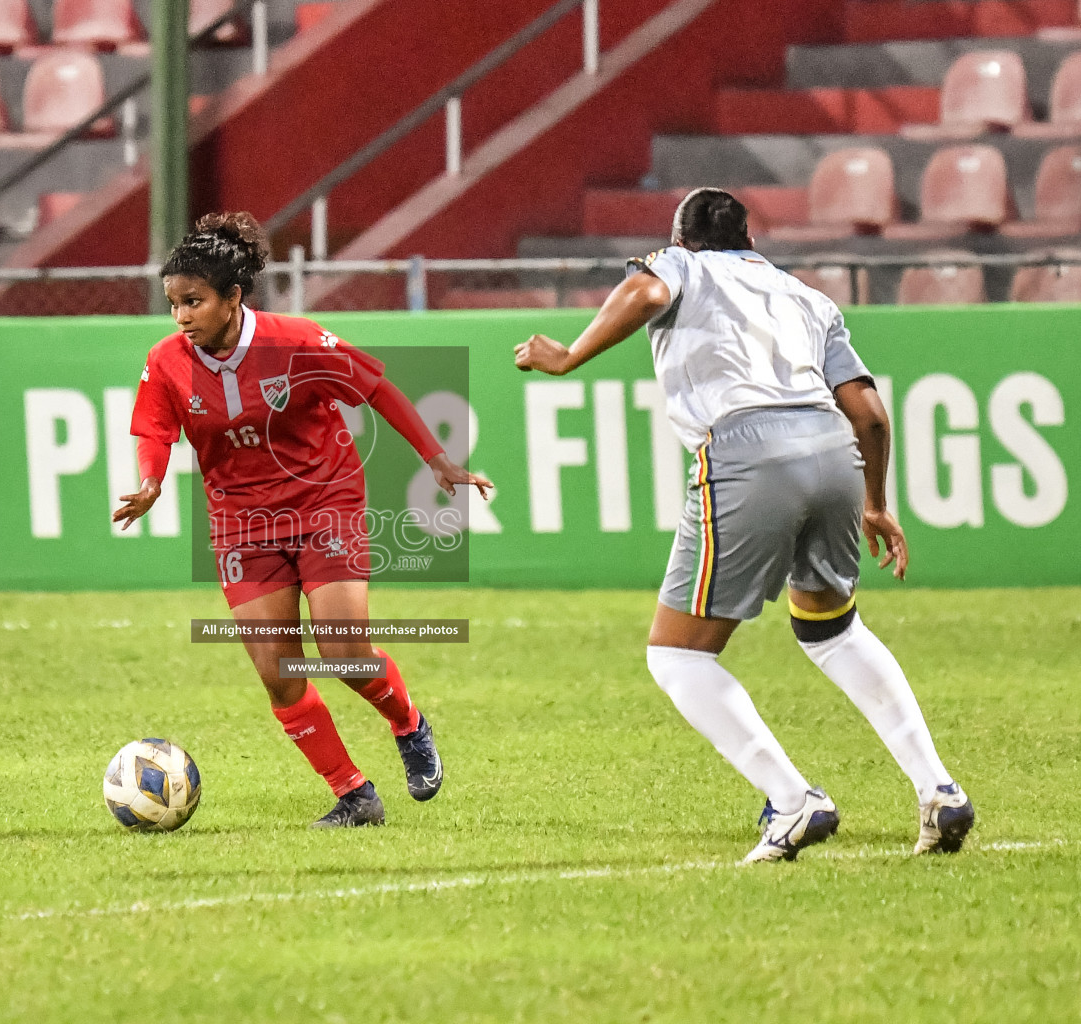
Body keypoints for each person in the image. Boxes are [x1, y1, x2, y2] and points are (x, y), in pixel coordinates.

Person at [513, 188, 974, 862]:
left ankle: (793, 803)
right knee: (833, 629)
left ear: (681, 239)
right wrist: (876, 502)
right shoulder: (807, 298)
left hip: (746, 448)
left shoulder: (679, 265)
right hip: (832, 447)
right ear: (751, 241)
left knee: (677, 655)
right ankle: (939, 789)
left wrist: (567, 356)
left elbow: (643, 293)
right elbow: (869, 413)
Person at [114, 212, 493, 828]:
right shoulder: (166, 360)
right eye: (174, 305)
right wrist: (151, 482)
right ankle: (355, 796)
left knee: (344, 651)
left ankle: (408, 723)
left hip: (324, 503)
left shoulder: (295, 341)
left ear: (234, 298)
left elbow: (377, 389)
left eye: (194, 302)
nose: (181, 318)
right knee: (280, 674)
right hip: (242, 523)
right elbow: (155, 426)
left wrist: (439, 461)